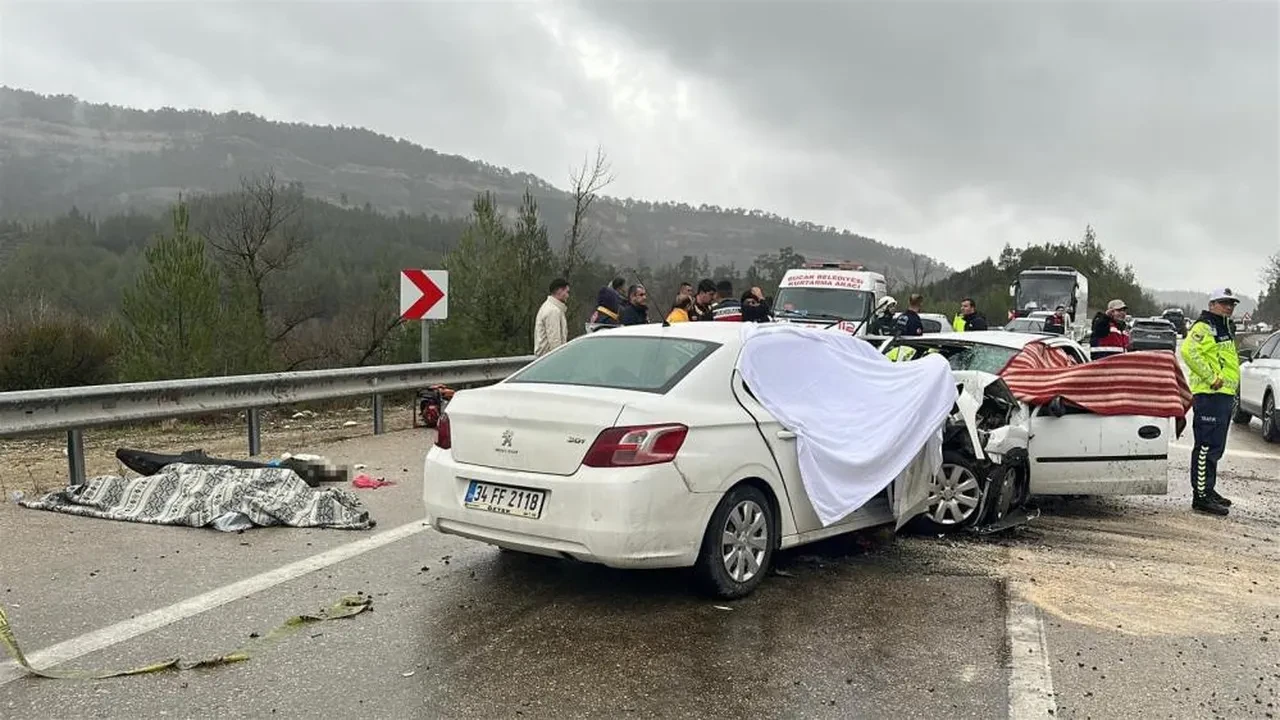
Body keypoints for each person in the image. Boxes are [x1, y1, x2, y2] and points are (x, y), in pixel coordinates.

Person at [1179, 288, 1241, 516]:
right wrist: (1211, 378)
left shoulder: (1224, 326)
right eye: (1224, 303)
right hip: (1210, 393)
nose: (1229, 307)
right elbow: (1188, 351)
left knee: (1216, 447)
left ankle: (1208, 489)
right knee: (1205, 446)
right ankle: (1201, 496)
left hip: (1224, 394)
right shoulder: (1204, 326)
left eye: (1232, 304)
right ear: (1213, 304)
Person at [534, 278, 570, 356]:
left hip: (545, 358)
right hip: (549, 358)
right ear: (559, 291)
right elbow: (555, 341)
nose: (568, 295)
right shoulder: (553, 311)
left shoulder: (549, 307)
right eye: (566, 292)